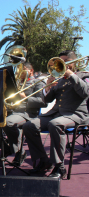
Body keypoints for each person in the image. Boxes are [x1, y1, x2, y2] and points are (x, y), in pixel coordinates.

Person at [23, 50, 89, 179]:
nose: (60, 65)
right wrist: (47, 87)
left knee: (55, 124)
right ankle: (44, 160)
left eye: (64, 61)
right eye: (59, 62)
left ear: (73, 62)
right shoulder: (59, 79)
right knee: (29, 125)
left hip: (76, 114)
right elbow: (47, 100)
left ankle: (59, 166)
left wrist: (71, 75)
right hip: (56, 114)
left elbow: (85, 93)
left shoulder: (83, 75)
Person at [1, 62, 46, 165]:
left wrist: (25, 97)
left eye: (23, 69)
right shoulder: (16, 83)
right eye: (18, 69)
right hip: (13, 111)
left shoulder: (37, 82)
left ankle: (18, 151)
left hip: (27, 112)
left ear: (31, 70)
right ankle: (8, 148)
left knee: (8, 123)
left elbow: (42, 101)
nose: (19, 71)